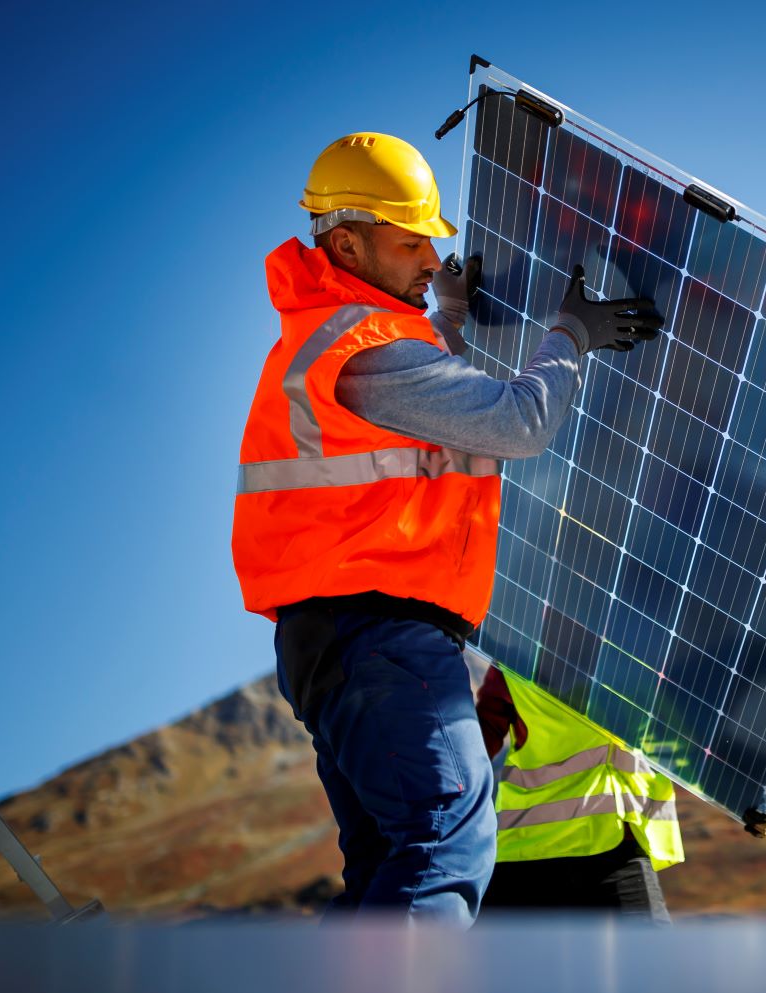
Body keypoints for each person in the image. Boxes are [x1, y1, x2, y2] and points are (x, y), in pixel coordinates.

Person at [232, 132, 662, 924]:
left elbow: (420, 420)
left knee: (387, 866)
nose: (431, 259)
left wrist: (451, 320)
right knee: (449, 838)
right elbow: (517, 422)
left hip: (337, 638)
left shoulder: (337, 337)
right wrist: (572, 334)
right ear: (347, 241)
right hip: (382, 635)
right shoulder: (362, 349)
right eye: (410, 241)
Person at [473, 665, 683, 920]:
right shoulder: (639, 660)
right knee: (650, 958)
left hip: (527, 849)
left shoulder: (515, 660)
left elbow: (477, 744)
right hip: (599, 848)